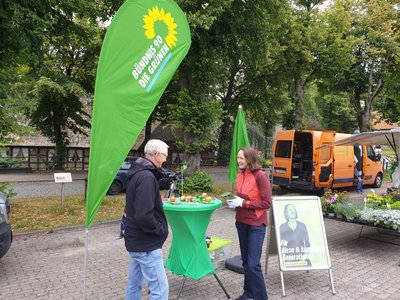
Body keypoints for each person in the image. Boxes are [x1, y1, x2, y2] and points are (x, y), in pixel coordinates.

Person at [124, 139, 169, 300]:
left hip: (136, 240)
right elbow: (144, 215)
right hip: (146, 244)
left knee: (134, 284)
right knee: (160, 289)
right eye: (164, 156)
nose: (165, 159)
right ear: (156, 155)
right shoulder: (146, 177)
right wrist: (160, 230)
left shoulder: (138, 172)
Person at [228, 147, 272, 300]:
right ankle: (248, 294)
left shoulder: (260, 176)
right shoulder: (240, 174)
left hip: (256, 225)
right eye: (238, 157)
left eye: (242, 158)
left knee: (253, 264)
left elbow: (267, 203)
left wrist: (244, 203)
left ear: (250, 159)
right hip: (241, 222)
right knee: (246, 262)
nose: (239, 160)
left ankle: (261, 297)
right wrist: (234, 202)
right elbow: (241, 197)